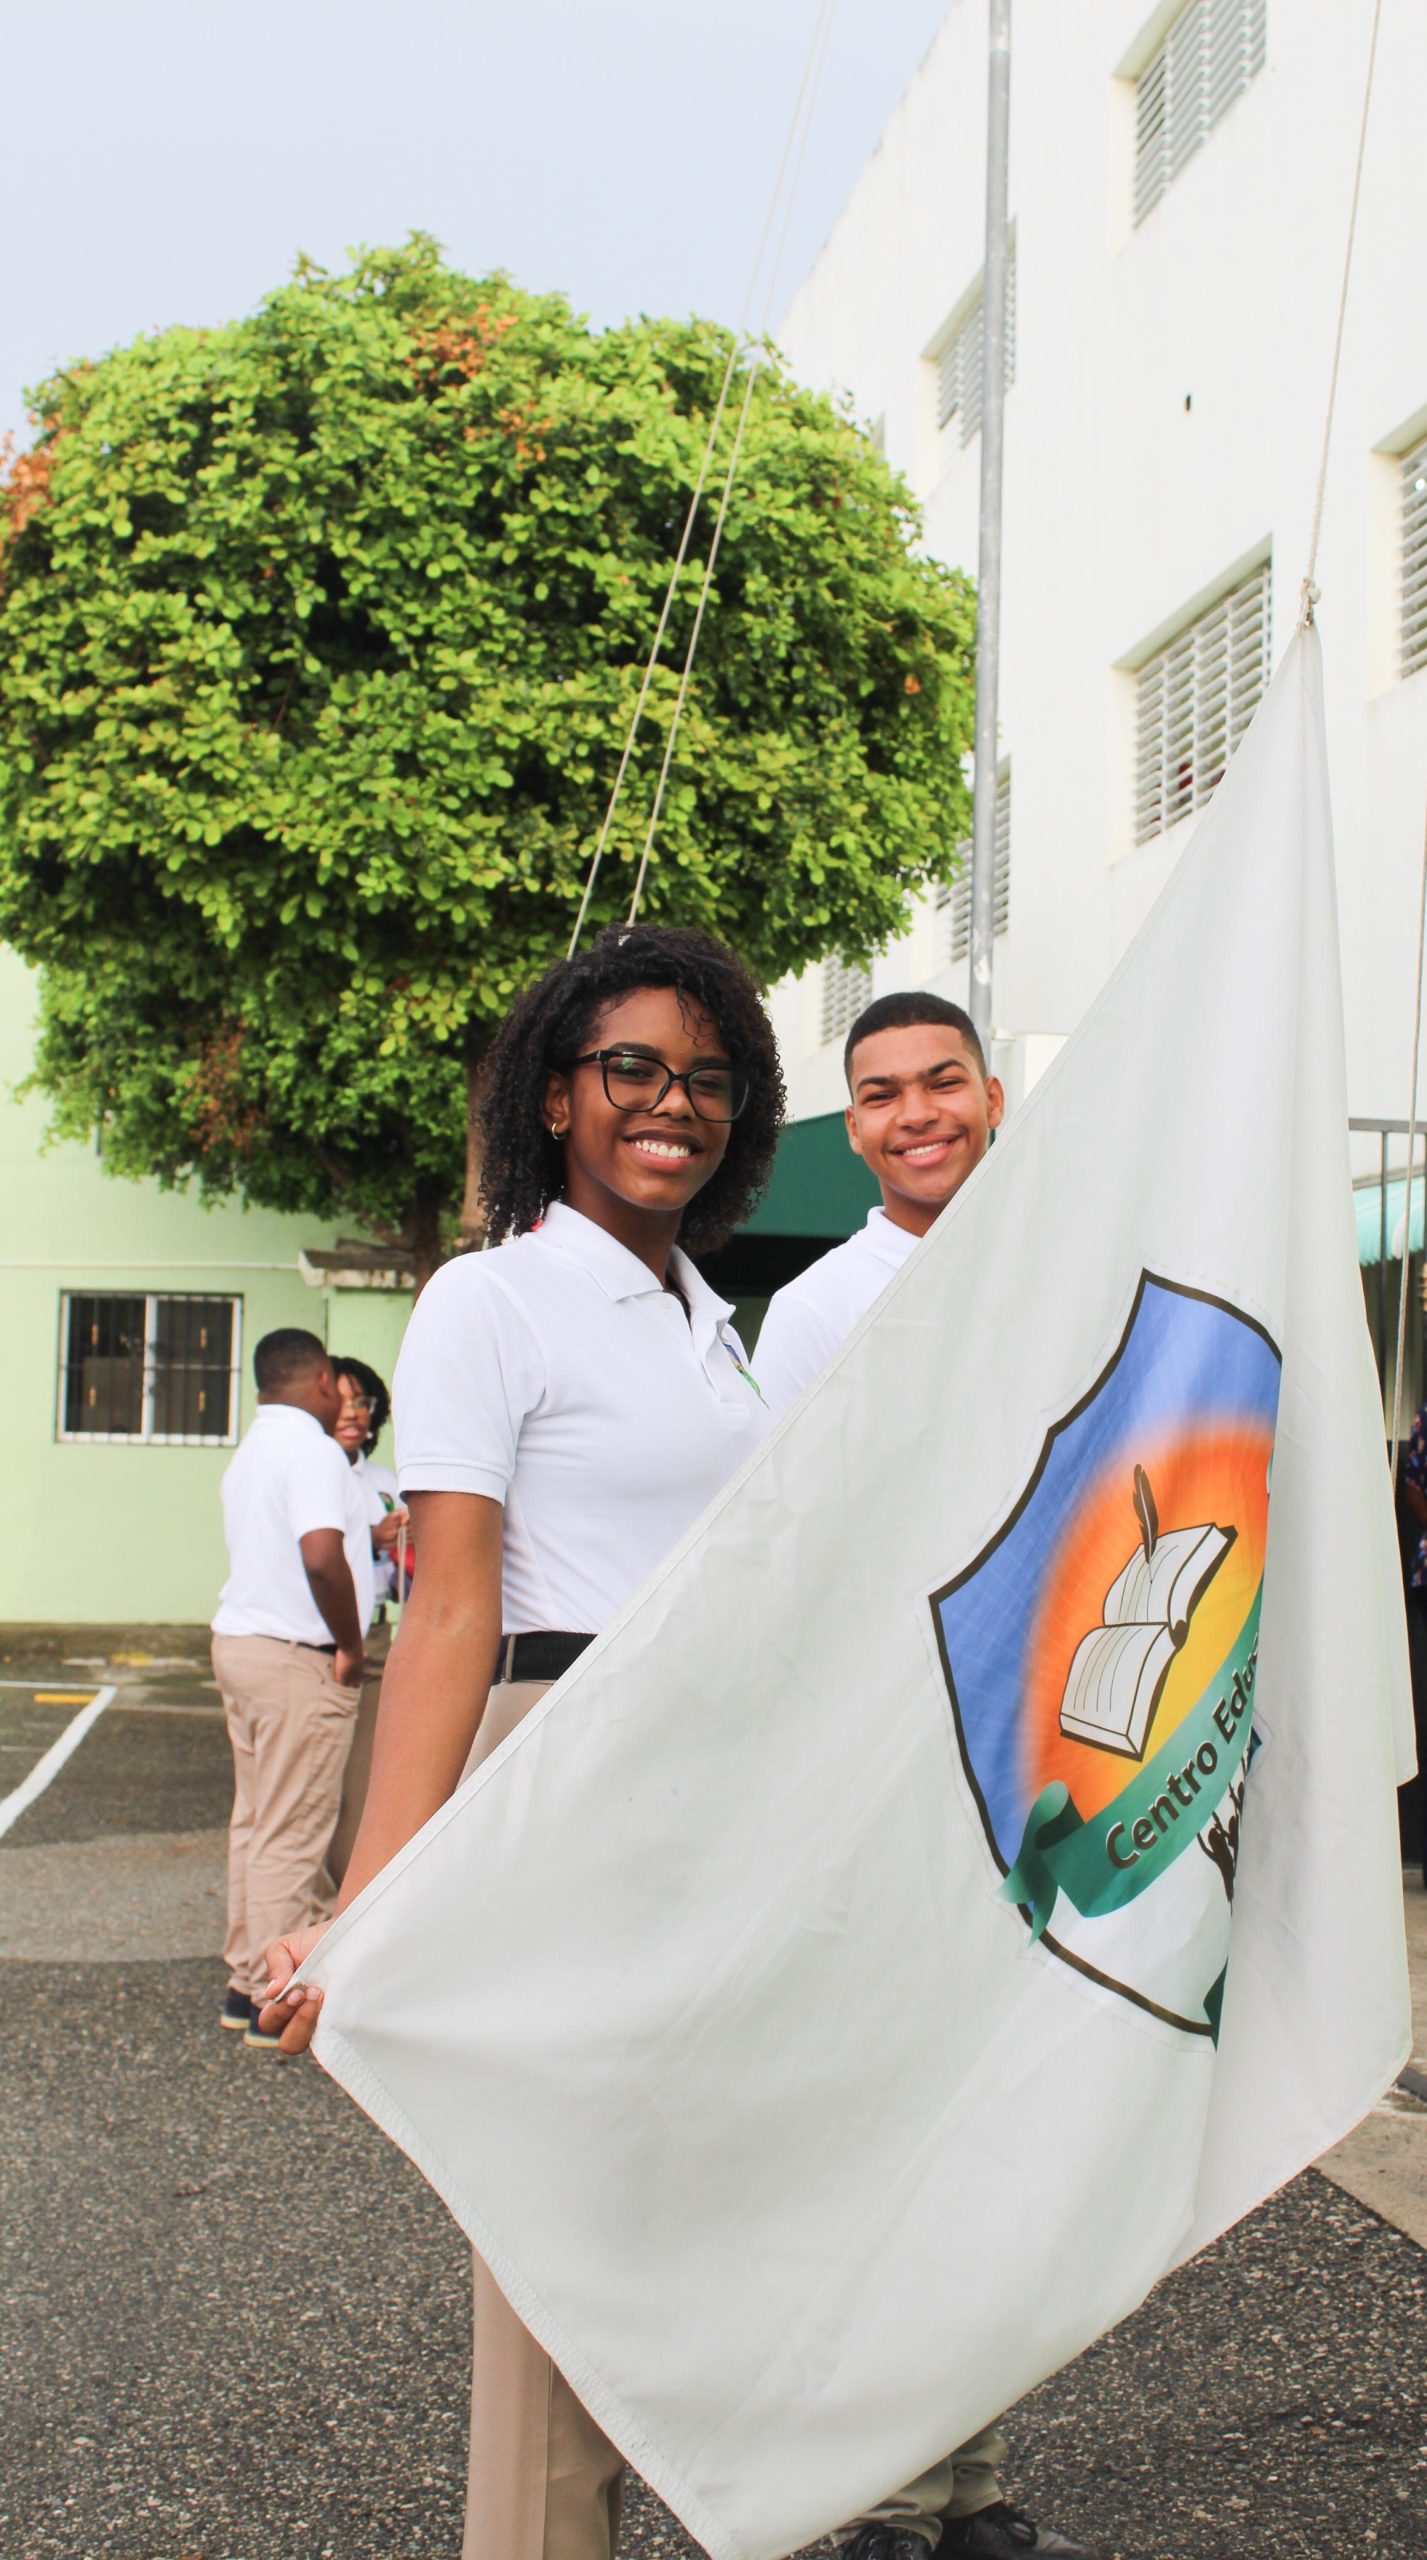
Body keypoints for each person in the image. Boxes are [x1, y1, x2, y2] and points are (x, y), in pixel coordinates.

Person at [261, 923, 784, 2560]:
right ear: (553, 1095)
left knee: (671, 2236)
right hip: (571, 1755)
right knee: (567, 2238)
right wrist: (372, 1899)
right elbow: (451, 1612)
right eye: (632, 1068)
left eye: (706, 1080)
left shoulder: (704, 1314)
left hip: (706, 1779)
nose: (671, 1104)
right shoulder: (489, 1299)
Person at [754, 994, 1086, 2560]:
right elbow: (789, 1557)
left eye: (937, 1082)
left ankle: (972, 2487)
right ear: (853, 1124)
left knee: (995, 2136)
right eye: (876, 1094)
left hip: (1049, 1751)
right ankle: (881, 2491)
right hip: (887, 1762)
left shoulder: (1066, 1265)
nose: (912, 1115)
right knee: (879, 2128)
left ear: (990, 1093)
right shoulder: (820, 1310)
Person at [211, 1329, 374, 2052]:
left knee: (255, 1822)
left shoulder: (253, 1450)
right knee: (292, 1831)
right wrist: (349, 1641)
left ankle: (241, 1979)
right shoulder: (311, 1449)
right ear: (320, 1381)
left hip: (242, 1647)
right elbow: (318, 1553)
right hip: (294, 1657)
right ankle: (268, 1999)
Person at [326, 1355, 408, 1887]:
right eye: (341, 1400)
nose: (353, 1413)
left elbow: (408, 1582)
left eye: (363, 1401)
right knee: (317, 1779)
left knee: (364, 1777)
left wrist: (406, 1547)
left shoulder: (383, 1481)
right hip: (328, 1638)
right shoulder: (314, 1471)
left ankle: (344, 1895)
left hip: (379, 1635)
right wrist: (369, 1539)